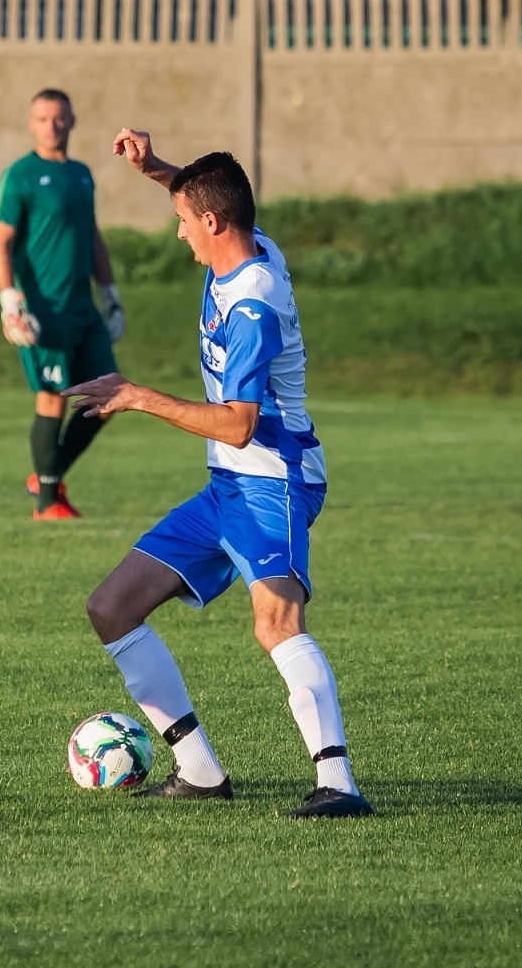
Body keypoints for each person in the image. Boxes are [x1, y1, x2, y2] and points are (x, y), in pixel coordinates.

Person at [64, 133, 373, 819]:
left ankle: (339, 786)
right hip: (229, 485)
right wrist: (155, 169)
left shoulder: (253, 306)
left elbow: (237, 422)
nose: (180, 235)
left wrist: (139, 396)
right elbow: (209, 198)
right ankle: (199, 771)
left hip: (274, 482)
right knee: (111, 607)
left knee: (275, 621)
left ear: (213, 224)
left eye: (183, 222)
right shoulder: (248, 242)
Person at [0, 88, 124, 520]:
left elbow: (93, 238)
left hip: (82, 310)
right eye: (43, 118)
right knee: (52, 398)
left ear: (72, 121)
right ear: (32, 123)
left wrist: (110, 294)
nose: (52, 125)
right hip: (43, 312)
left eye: (59, 118)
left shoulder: (83, 174)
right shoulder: (20, 176)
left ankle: (47, 475)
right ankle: (48, 503)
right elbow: (1, 243)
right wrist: (10, 300)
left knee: (110, 397)